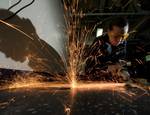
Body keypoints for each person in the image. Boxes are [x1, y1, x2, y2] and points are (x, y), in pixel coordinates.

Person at [84, 17, 130, 81]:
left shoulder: (123, 43)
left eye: (123, 36)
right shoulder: (98, 43)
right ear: (108, 31)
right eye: (116, 36)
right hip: (96, 81)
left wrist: (123, 71)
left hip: (112, 81)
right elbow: (88, 68)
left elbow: (122, 61)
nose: (120, 40)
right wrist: (106, 68)